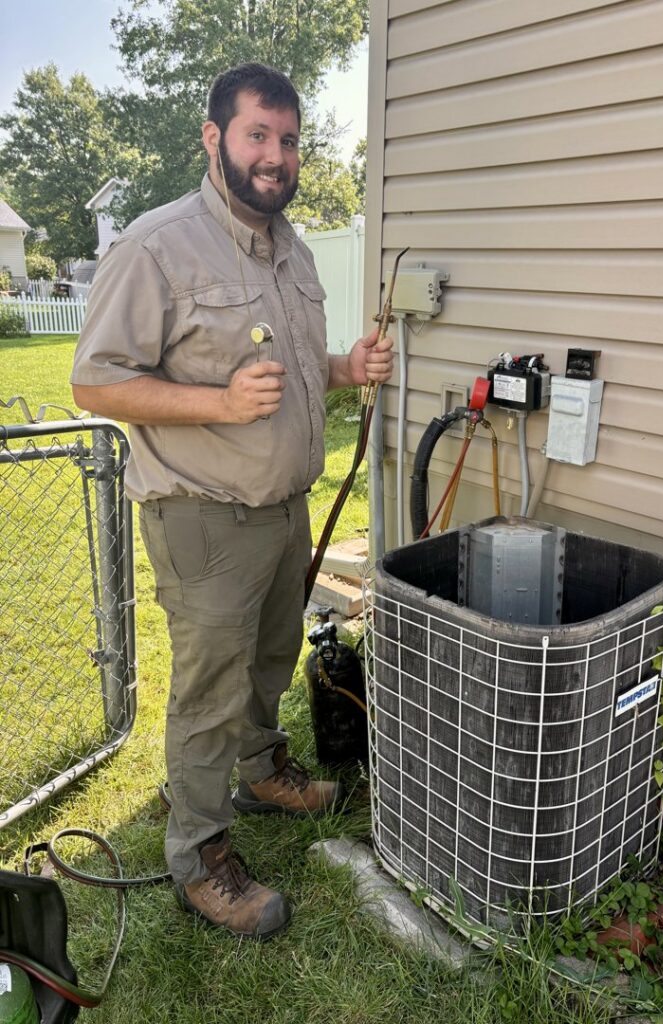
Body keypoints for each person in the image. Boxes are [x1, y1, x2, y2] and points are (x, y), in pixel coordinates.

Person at [71, 62, 393, 942]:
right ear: (213, 138)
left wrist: (344, 370)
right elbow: (94, 383)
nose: (276, 156)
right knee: (209, 693)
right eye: (258, 135)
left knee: (267, 663)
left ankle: (260, 774)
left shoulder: (287, 244)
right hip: (203, 514)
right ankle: (199, 854)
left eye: (288, 140)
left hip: (283, 509)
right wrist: (216, 403)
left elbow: (288, 370)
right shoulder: (157, 245)